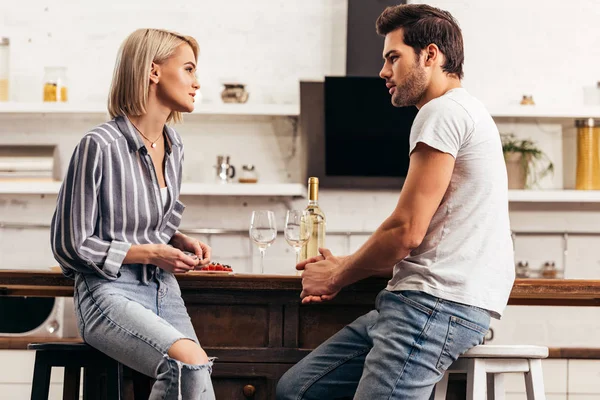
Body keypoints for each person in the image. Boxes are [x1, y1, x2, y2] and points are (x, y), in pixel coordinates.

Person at [276, 4, 514, 400]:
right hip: (417, 303)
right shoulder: (467, 111)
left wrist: (337, 274)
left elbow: (406, 230)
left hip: (431, 307)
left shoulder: (441, 112)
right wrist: (346, 264)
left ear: (431, 55)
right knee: (297, 390)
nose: (384, 72)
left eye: (393, 57)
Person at [50, 28, 216, 399]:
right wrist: (151, 252)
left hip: (162, 288)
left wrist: (175, 239)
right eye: (188, 69)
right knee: (186, 363)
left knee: (196, 371)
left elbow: (154, 221)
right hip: (107, 290)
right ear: (154, 71)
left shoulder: (174, 147)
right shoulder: (99, 145)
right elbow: (69, 244)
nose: (196, 82)